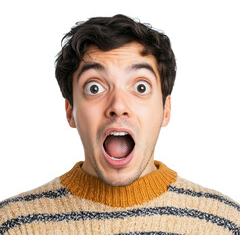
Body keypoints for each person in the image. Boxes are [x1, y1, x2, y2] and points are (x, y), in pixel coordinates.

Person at [0, 14, 239, 235]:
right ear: (71, 111)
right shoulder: (13, 225)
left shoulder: (224, 223)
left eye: (140, 87)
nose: (118, 105)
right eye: (94, 88)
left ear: (165, 110)